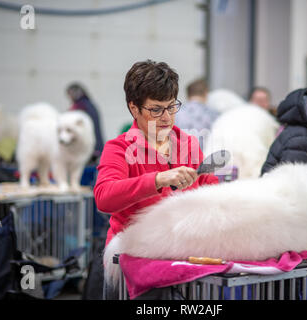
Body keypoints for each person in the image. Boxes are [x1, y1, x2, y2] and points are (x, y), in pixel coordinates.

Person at [94, 60, 219, 299]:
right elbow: (104, 198)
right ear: (134, 108)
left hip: (179, 260)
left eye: (171, 107)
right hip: (131, 266)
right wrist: (158, 179)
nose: (166, 117)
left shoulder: (189, 145)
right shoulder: (118, 149)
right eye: (156, 109)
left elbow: (210, 191)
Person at [174, 78, 220, 149]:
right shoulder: (215, 115)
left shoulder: (175, 113)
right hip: (206, 158)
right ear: (206, 94)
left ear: (188, 95)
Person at [66, 83, 105, 161]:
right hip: (96, 147)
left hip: (88, 148)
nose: (69, 97)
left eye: (70, 94)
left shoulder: (80, 106)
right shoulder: (89, 104)